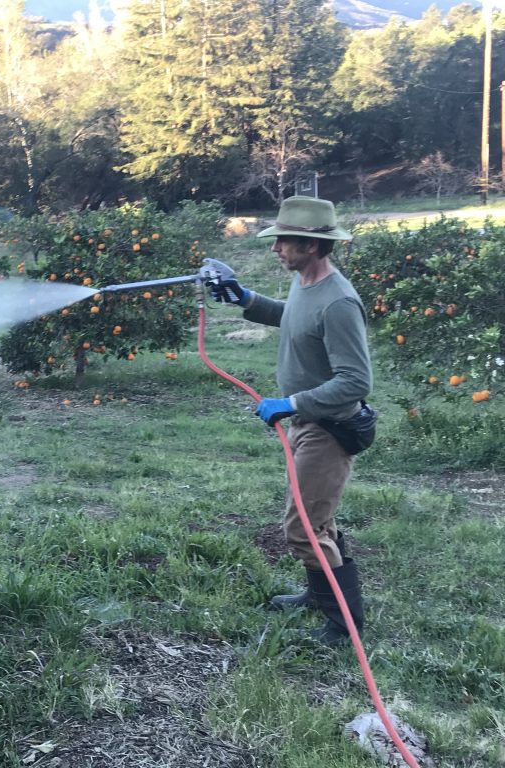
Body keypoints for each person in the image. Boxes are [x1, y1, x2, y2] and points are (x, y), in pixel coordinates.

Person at [211, 196, 372, 645]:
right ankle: (319, 596)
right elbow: (295, 318)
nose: (275, 248)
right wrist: (246, 299)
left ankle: (344, 627)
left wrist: (291, 403)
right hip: (307, 425)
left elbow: (356, 381)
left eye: (284, 240)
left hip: (327, 430)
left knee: (303, 528)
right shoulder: (306, 283)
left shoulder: (339, 302)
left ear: (314, 245)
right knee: (317, 521)